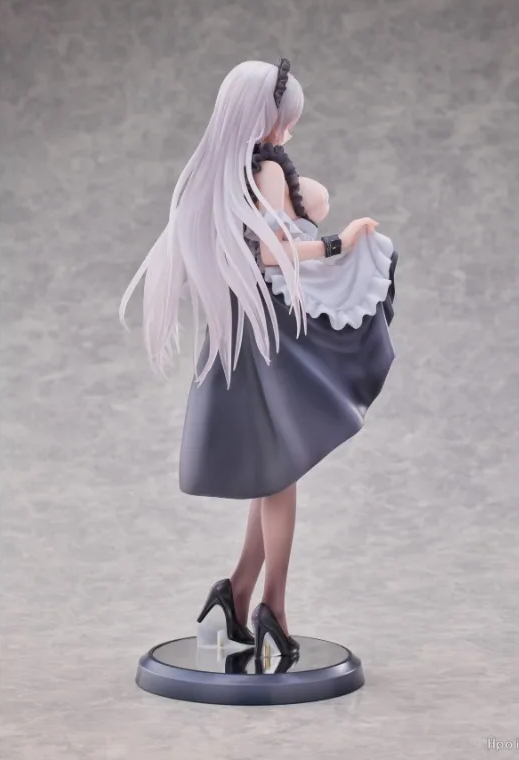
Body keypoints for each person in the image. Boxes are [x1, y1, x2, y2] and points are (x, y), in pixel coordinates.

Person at [120, 58, 397, 661]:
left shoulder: (238, 171)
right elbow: (272, 253)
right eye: (285, 118)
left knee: (275, 467)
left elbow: (285, 220)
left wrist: (307, 203)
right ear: (265, 117)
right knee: (282, 471)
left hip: (255, 329)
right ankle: (274, 607)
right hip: (270, 332)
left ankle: (235, 594)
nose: (289, 129)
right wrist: (340, 242)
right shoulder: (264, 167)